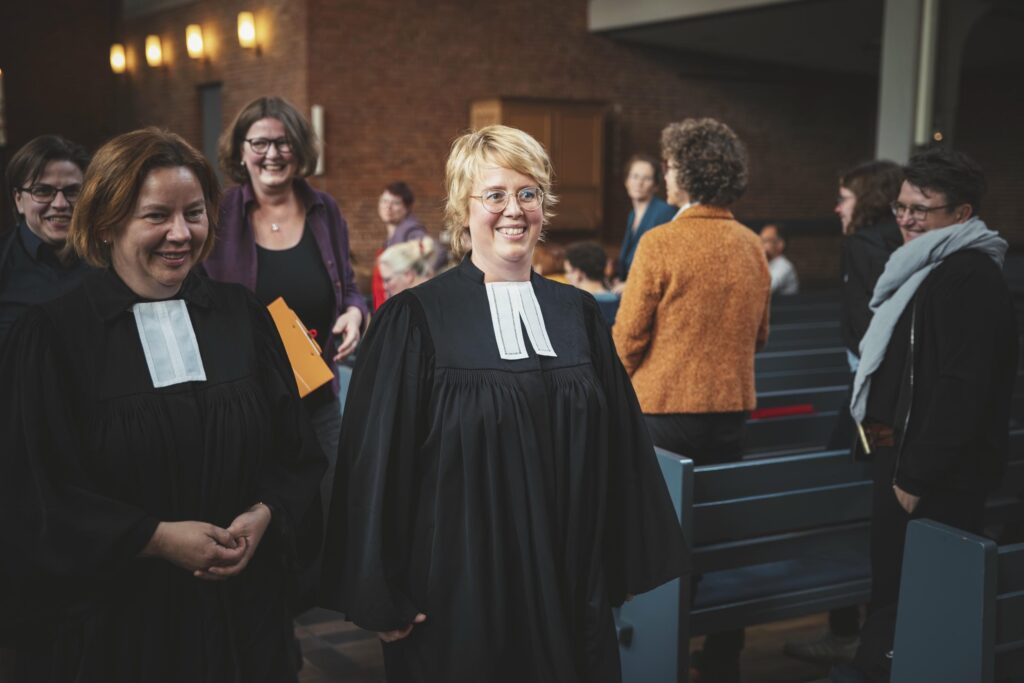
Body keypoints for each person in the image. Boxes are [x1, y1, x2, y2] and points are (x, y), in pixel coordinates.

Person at [320, 124, 685, 683]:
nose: (513, 210)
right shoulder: (415, 319)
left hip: (570, 582)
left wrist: (622, 558)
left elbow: (619, 444)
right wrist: (378, 590)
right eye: (494, 195)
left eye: (527, 193)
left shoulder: (577, 314)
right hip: (460, 592)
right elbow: (376, 464)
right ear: (463, 210)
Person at [0, 128, 325, 681]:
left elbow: (294, 450)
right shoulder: (54, 336)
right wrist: (154, 538)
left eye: (194, 214)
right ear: (107, 222)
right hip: (120, 625)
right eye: (156, 216)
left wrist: (266, 513)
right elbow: (34, 490)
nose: (180, 234)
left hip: (244, 615)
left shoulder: (243, 316)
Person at [835, 148, 1018, 682]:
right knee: (894, 587)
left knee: (912, 594)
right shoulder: (924, 265)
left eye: (922, 208)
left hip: (929, 471)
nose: (907, 219)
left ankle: (881, 669)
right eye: (902, 207)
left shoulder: (969, 275)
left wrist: (915, 476)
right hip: (899, 452)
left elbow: (963, 387)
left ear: (961, 214)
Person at [613, 118, 770, 683]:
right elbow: (760, 336)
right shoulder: (751, 244)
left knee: (652, 536)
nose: (666, 173)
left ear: (688, 173)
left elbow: (627, 339)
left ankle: (653, 656)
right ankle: (722, 656)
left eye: (671, 164)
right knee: (719, 533)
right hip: (729, 410)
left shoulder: (661, 241)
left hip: (663, 412)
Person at [204, 95, 366, 526]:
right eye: (259, 143)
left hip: (318, 401)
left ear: (299, 148)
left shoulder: (324, 210)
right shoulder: (219, 215)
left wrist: (354, 313)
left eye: (283, 142)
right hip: (249, 404)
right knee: (261, 522)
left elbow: (349, 288)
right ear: (241, 151)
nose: (272, 154)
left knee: (333, 516)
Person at [788, 160, 903, 666]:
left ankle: (847, 632)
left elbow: (863, 328)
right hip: (890, 399)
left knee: (835, 498)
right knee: (875, 506)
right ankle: (875, 628)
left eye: (845, 198)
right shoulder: (904, 241)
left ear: (867, 200)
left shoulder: (861, 245)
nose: (837, 208)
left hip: (867, 397)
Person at [0, 135, 91, 345]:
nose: (60, 204)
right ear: (18, 200)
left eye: (72, 191)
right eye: (42, 191)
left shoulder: (112, 260)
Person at [614, 154, 676, 290]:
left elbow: (661, 264)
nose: (639, 183)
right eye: (635, 176)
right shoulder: (632, 215)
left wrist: (629, 285)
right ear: (626, 181)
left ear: (655, 186)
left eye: (646, 178)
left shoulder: (664, 212)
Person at [371, 181, 433, 309]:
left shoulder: (411, 231)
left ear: (407, 207)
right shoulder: (393, 235)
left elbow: (431, 255)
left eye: (396, 203)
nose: (388, 207)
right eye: (384, 201)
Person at [564, 241, 619, 325]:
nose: (566, 277)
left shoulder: (575, 306)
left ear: (578, 273)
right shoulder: (619, 301)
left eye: (568, 272)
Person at [760, 223, 799, 295]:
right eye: (761, 240)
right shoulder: (768, 263)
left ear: (780, 244)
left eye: (766, 240)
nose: (761, 244)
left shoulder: (784, 265)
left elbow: (765, 289)